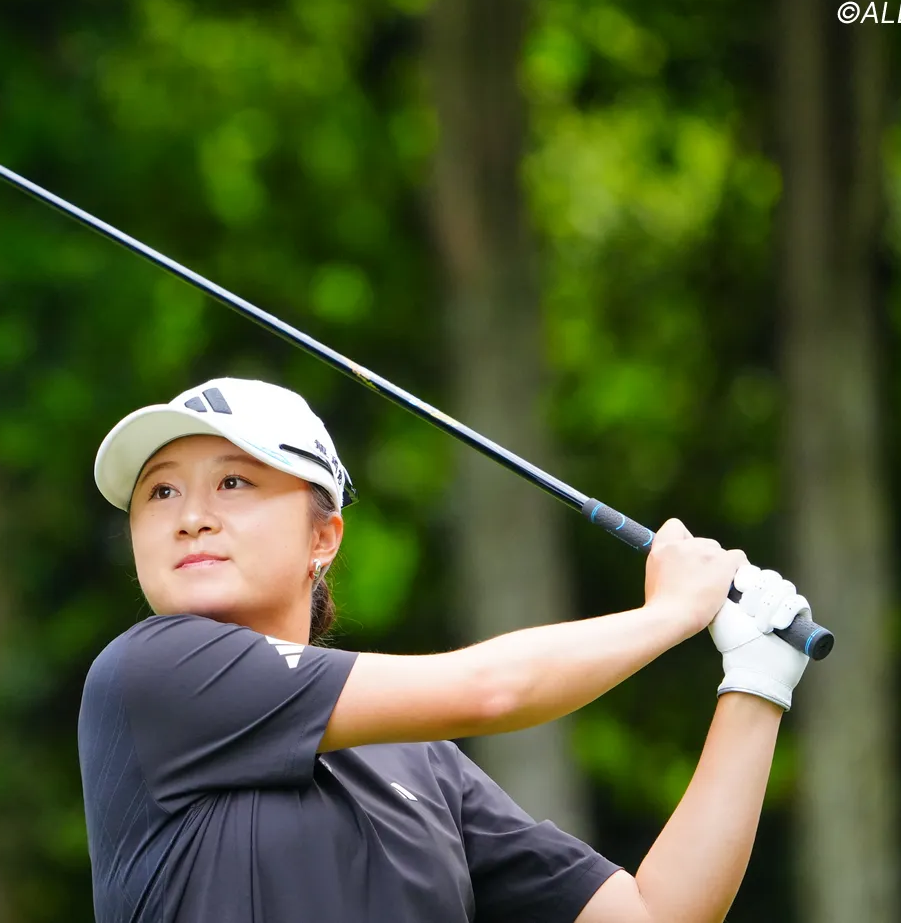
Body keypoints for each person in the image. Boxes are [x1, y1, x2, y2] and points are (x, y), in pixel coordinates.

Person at [77, 376, 814, 923]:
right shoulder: (151, 673)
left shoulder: (418, 763)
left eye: (233, 481)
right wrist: (675, 612)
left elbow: (654, 916)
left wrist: (757, 681)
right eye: (161, 492)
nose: (191, 517)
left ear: (322, 537)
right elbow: (491, 691)